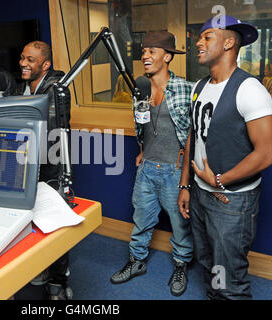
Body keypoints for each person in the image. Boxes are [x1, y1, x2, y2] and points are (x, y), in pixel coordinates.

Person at [178, 15, 272, 300]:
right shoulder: (199, 87)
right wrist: (186, 186)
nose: (199, 41)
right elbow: (192, 136)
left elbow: (267, 153)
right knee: (209, 265)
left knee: (229, 280)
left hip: (230, 200)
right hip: (199, 195)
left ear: (229, 43)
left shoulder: (250, 89)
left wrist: (220, 180)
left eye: (207, 36)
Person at [110, 31, 193, 297]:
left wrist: (186, 169)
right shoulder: (140, 89)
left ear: (167, 57)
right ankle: (137, 262)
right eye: (144, 51)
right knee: (141, 220)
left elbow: (194, 132)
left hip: (174, 170)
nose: (145, 56)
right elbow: (141, 124)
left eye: (152, 52)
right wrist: (142, 150)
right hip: (147, 169)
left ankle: (181, 265)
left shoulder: (186, 89)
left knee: (180, 225)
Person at [17, 41, 72, 300]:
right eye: (22, 58)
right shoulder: (22, 87)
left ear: (45, 64)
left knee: (55, 226)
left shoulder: (57, 89)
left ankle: (58, 283)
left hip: (52, 166)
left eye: (30, 59)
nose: (23, 63)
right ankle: (39, 269)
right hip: (27, 164)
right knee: (30, 221)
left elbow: (49, 130)